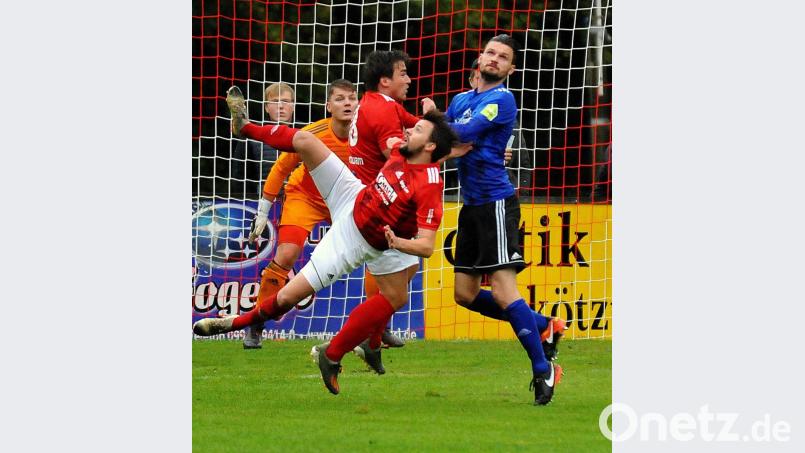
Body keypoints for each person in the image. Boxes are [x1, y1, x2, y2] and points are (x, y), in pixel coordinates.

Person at [194, 86, 463, 397]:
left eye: (416, 129)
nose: (408, 130)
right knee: (306, 140)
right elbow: (385, 106)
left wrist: (397, 242)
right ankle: (245, 127)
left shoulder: (429, 186)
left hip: (362, 240)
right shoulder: (399, 147)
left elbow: (427, 246)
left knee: (382, 294)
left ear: (428, 146)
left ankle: (323, 349)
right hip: (351, 195)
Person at [444, 34, 565, 405]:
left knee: (502, 289)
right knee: (464, 294)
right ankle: (545, 326)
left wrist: (438, 124)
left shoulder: (502, 99)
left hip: (497, 202)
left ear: (510, 69)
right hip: (471, 206)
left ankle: (543, 369)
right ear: (480, 59)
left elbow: (460, 133)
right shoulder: (460, 100)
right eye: (491, 53)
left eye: (503, 57)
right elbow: (444, 143)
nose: (495, 59)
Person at [243, 79, 404, 351]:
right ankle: (256, 324)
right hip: (306, 198)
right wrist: (263, 212)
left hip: (350, 203)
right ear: (328, 106)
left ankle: (379, 327)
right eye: (340, 99)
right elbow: (281, 169)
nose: (348, 103)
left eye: (352, 98)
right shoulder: (314, 133)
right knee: (286, 255)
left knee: (380, 254)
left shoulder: (372, 134)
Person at [341, 49, 436, 365]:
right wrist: (444, 153)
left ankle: (374, 330)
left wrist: (433, 119)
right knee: (392, 279)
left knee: (406, 268)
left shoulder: (384, 105)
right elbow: (401, 154)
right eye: (403, 74)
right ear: (385, 81)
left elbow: (421, 128)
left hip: (369, 198)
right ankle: (364, 337)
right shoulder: (382, 111)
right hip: (375, 206)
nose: (409, 80)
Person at [230, 82, 295, 199]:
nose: (280, 106)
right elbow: (239, 177)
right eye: (275, 101)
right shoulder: (251, 136)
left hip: (300, 202)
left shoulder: (306, 132)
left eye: (285, 101)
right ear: (266, 108)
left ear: (293, 105)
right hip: (261, 203)